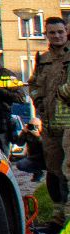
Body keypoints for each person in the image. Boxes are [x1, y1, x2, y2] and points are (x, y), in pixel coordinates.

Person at [26, 17, 70, 196]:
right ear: (46, 35)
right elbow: (33, 85)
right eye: (52, 32)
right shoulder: (42, 59)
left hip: (68, 123)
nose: (57, 36)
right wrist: (39, 101)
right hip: (50, 125)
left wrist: (60, 94)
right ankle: (58, 216)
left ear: (66, 32)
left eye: (60, 32)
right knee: (53, 169)